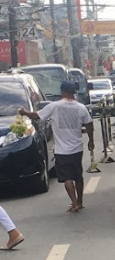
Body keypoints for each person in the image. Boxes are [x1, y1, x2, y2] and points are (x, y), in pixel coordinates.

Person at [20, 81, 94, 213]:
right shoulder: (81, 107)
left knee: (67, 178)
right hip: (77, 148)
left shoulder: (54, 106)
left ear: (63, 92)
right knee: (78, 176)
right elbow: (89, 124)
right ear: (73, 92)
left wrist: (24, 112)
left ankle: (74, 202)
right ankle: (80, 201)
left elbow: (36, 116)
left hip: (62, 151)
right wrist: (91, 140)